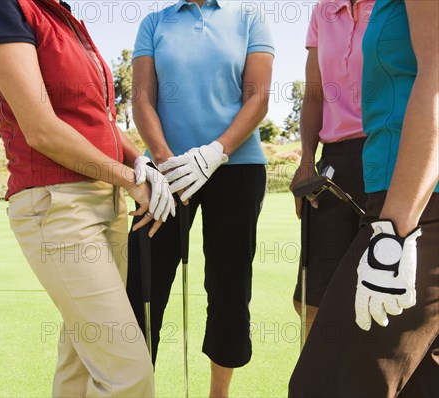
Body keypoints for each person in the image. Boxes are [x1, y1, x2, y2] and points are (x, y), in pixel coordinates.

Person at [0, 0, 176, 396]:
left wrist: (141, 163)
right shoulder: (3, 6)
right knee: (128, 375)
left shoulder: (61, 14)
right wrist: (130, 179)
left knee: (80, 368)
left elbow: (99, 119)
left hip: (104, 200)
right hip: (57, 204)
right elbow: (41, 128)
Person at [289, 0, 439, 396]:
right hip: (393, 192)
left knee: (321, 386)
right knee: (420, 379)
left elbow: (437, 80)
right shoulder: (329, 10)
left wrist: (395, 233)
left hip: (419, 204)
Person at [126, 1, 274, 396]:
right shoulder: (155, 23)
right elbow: (142, 99)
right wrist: (165, 160)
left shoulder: (249, 19)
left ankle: (218, 393)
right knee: (142, 284)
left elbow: (258, 98)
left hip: (237, 167)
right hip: (167, 172)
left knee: (229, 286)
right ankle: (134, 388)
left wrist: (215, 152)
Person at [290, 0, 374, 336]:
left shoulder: (395, 6)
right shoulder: (323, 10)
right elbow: (313, 95)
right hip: (334, 162)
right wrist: (307, 160)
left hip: (386, 154)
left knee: (378, 288)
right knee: (311, 298)